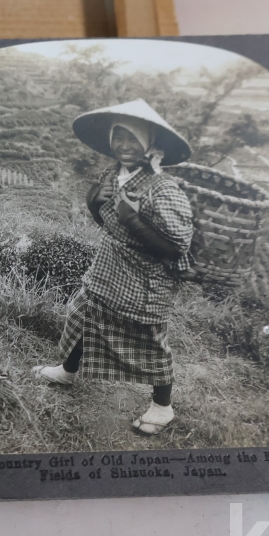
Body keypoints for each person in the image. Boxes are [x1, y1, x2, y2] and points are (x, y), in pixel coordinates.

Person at [32, 99, 195, 435]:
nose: (124, 145)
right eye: (118, 137)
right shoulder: (113, 174)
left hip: (146, 280)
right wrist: (95, 201)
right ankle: (67, 371)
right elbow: (106, 222)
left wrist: (133, 219)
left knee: (149, 341)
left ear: (149, 142)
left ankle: (162, 407)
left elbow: (176, 246)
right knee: (84, 314)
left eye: (133, 138)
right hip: (109, 267)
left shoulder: (163, 187)